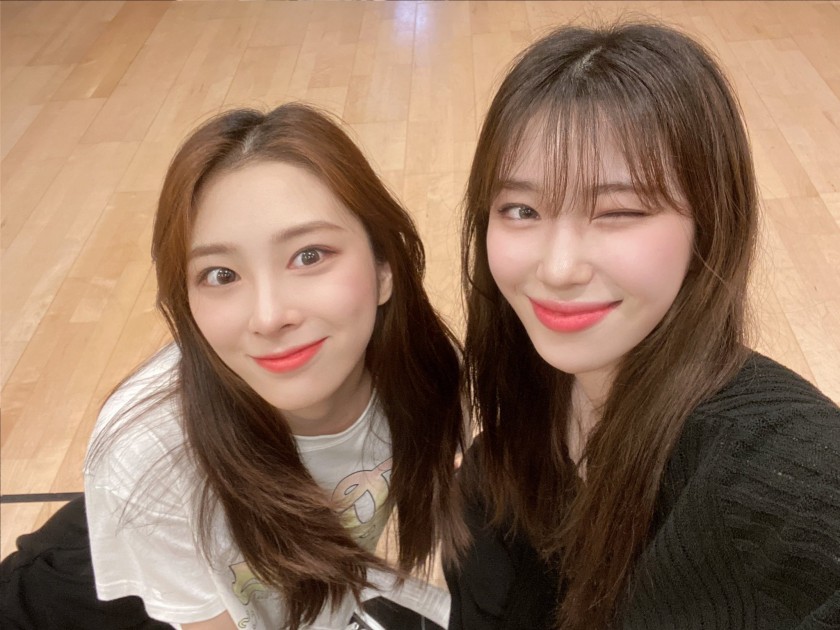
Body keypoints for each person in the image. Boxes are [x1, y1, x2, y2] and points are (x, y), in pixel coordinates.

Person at [445, 22, 840, 630]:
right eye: (522, 210)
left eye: (618, 211)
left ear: (709, 225)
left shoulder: (773, 472)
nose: (558, 269)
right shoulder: (527, 410)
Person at [78, 103, 466, 629]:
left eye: (309, 256)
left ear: (384, 269)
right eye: (221, 274)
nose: (268, 317)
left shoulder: (430, 375)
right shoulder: (147, 454)